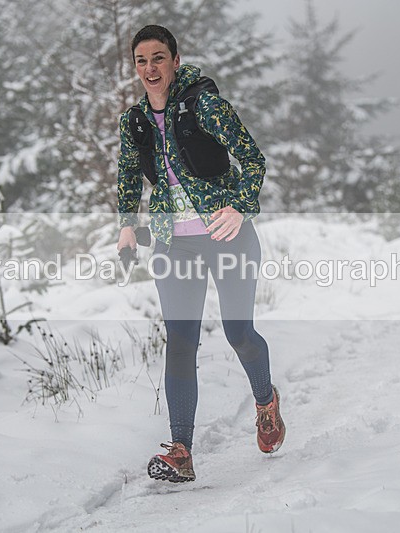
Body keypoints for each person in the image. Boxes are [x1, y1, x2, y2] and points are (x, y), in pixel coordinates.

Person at [116, 25, 285, 483]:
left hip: (227, 234)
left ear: (174, 60)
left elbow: (253, 159)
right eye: (141, 61)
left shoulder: (203, 104)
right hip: (175, 242)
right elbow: (130, 177)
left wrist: (240, 206)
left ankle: (266, 402)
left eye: (158, 59)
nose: (149, 69)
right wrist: (127, 228)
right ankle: (181, 450)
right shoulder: (133, 122)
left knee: (239, 333)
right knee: (180, 341)